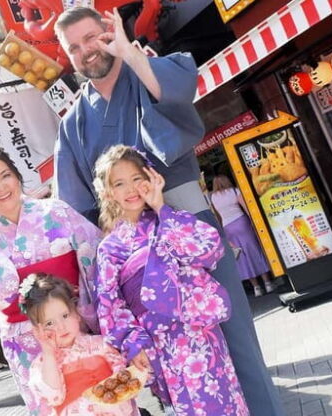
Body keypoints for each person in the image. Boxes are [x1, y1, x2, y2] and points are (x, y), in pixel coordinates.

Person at [53, 7, 283, 415]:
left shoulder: (144, 70)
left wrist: (132, 54)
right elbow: (76, 209)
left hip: (188, 229)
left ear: (109, 32)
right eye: (74, 47)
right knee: (172, 372)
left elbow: (182, 83)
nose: (86, 51)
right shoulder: (73, 124)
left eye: (92, 38)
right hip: (135, 263)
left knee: (237, 344)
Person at [0, 147, 102, 416]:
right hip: (25, 343)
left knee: (99, 399)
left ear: (17, 176)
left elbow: (97, 261)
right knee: (51, 408)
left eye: (6, 175)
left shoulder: (55, 212)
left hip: (73, 329)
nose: (1, 187)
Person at [92, 146, 248, 415]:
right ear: (108, 193)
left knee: (225, 399)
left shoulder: (169, 219)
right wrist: (133, 342)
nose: (131, 189)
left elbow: (210, 250)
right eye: (119, 183)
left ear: (151, 178)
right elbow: (109, 305)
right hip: (159, 342)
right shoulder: (110, 248)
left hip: (199, 330)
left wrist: (161, 207)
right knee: (186, 406)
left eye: (137, 178)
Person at [23, 273, 139, 416]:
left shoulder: (101, 344)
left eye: (65, 316)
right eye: (49, 323)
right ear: (38, 330)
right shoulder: (43, 363)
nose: (60, 327)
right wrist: (48, 353)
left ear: (76, 313)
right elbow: (53, 396)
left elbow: (123, 379)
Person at [210, 174, 274, 297]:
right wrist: (254, 221)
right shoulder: (234, 191)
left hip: (228, 228)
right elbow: (246, 207)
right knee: (254, 251)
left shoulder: (213, 197)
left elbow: (217, 216)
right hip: (242, 222)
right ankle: (267, 283)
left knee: (241, 256)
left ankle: (256, 288)